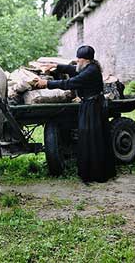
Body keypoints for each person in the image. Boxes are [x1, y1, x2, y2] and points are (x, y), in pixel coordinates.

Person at [34, 45, 116, 183]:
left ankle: (97, 173)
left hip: (93, 108)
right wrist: (55, 66)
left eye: (79, 60)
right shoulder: (89, 67)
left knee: (92, 138)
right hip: (89, 105)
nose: (77, 62)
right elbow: (72, 69)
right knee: (89, 137)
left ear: (85, 60)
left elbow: (70, 83)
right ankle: (91, 170)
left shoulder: (91, 71)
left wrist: (47, 83)